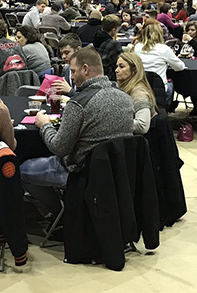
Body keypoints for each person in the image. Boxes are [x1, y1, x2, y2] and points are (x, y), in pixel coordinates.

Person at [22, 48, 134, 210]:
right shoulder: (125, 98)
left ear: (86, 69)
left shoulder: (78, 104)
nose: (71, 76)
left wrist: (44, 124)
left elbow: (59, 148)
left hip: (81, 172)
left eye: (73, 71)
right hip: (118, 171)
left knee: (21, 170)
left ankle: (58, 212)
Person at [132, 23, 185, 105]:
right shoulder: (164, 49)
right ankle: (166, 108)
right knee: (171, 84)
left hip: (140, 84)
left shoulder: (137, 47)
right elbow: (180, 67)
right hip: (159, 88)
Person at [115, 52, 158, 134]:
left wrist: (114, 123)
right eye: (117, 66)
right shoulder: (125, 87)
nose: (116, 70)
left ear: (134, 70)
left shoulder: (139, 93)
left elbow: (142, 126)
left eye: (121, 67)